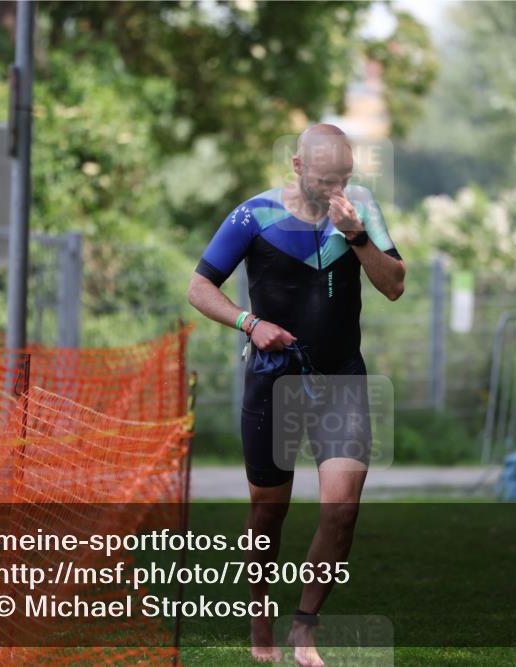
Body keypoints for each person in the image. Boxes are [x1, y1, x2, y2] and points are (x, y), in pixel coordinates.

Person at [187, 124, 405, 666]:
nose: (335, 189)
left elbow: (395, 284)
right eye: (324, 179)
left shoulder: (360, 208)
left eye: (344, 179)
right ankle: (260, 609)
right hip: (273, 378)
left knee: (342, 510)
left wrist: (356, 235)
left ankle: (304, 626)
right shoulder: (254, 215)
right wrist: (248, 322)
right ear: (296, 166)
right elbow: (198, 287)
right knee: (268, 513)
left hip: (341, 379)